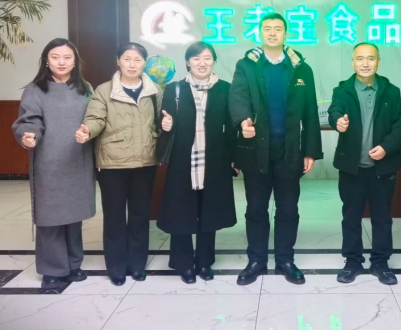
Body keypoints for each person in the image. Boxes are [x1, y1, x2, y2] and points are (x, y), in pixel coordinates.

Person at [229, 13, 323, 286]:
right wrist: (243, 120)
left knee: (288, 208)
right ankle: (256, 260)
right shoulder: (246, 65)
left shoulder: (301, 68)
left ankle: (285, 260)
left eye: (278, 29)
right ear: (260, 33)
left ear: (286, 33)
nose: (272, 33)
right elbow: (238, 97)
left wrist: (310, 151)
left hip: (289, 151)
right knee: (256, 208)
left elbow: (311, 112)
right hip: (255, 150)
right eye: (267, 29)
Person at [76, 42, 162, 286]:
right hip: (112, 164)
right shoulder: (104, 90)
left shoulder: (154, 90)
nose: (132, 64)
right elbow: (95, 118)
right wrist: (87, 130)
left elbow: (160, 120)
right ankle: (116, 266)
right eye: (127, 59)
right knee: (114, 216)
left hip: (145, 161)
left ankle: (137, 264)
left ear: (144, 63)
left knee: (139, 214)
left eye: (137, 60)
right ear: (118, 61)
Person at [12, 38, 95, 290]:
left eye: (67, 57)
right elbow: (29, 121)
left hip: (78, 160)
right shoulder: (35, 89)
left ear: (75, 61)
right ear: (46, 60)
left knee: (73, 217)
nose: (61, 62)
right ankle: (52, 269)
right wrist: (28, 135)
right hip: (48, 162)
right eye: (55, 57)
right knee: (50, 218)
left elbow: (95, 118)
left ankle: (73, 264)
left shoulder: (85, 88)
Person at [156, 41, 238, 284]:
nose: (202, 63)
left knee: (209, 211)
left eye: (207, 58)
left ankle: (204, 262)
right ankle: (183, 263)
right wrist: (164, 124)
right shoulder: (174, 89)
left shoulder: (225, 89)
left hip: (214, 160)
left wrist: (234, 158)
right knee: (181, 211)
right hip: (183, 160)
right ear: (188, 62)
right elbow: (163, 121)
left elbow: (231, 127)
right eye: (196, 58)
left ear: (214, 61)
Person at [328, 42, 401, 286]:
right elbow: (334, 111)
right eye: (360, 58)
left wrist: (386, 147)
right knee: (351, 216)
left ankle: (380, 262)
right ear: (352, 62)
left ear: (378, 62)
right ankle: (352, 261)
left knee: (382, 217)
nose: (365, 63)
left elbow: (400, 127)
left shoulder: (391, 91)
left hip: (382, 167)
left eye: (370, 58)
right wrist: (337, 122)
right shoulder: (342, 90)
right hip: (351, 167)